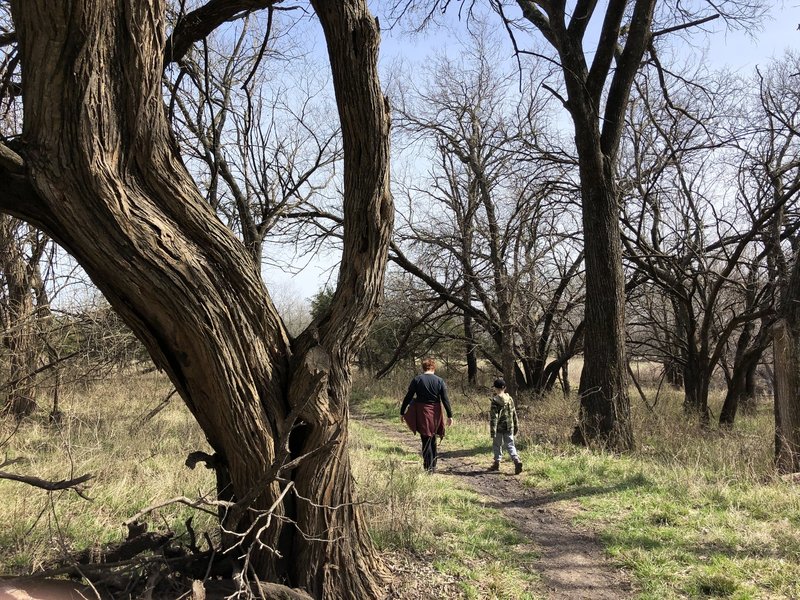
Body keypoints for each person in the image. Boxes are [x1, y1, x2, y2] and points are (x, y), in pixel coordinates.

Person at [400, 357, 453, 472]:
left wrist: (402, 411)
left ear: (423, 367)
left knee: (425, 438)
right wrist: (450, 415)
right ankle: (433, 465)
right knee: (432, 436)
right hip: (436, 412)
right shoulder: (439, 380)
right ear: (433, 367)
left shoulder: (417, 379)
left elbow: (408, 396)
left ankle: (428, 467)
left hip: (422, 411)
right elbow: (445, 399)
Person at [488, 378, 523, 474]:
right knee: (510, 445)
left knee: (497, 445)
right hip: (509, 425)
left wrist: (492, 430)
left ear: (495, 388)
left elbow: (494, 417)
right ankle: (516, 460)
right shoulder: (510, 399)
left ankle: (496, 463)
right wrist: (516, 425)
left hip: (499, 427)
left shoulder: (495, 400)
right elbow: (513, 413)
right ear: (505, 388)